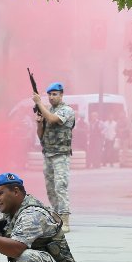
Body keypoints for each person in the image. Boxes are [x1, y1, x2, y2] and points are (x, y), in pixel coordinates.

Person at [33, 82, 76, 232]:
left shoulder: (67, 110)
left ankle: (65, 220)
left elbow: (52, 120)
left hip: (61, 155)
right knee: (50, 189)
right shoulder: (48, 111)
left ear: (61, 95)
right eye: (50, 94)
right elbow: (41, 135)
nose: (51, 97)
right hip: (48, 154)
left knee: (60, 186)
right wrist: (39, 124)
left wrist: (39, 103)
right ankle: (56, 217)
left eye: (55, 94)